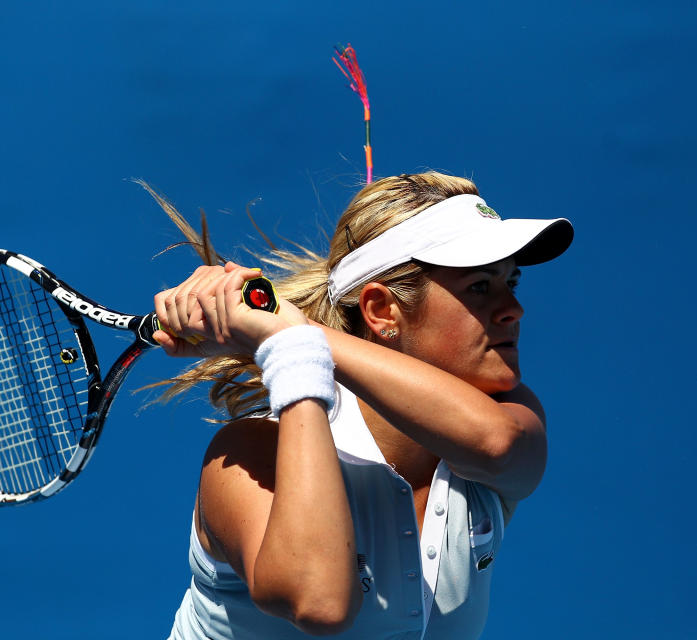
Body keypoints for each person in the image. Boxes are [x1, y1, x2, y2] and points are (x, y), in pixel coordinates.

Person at [149, 172, 573, 639]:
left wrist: (292, 336)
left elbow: (496, 442)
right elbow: (319, 602)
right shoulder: (248, 453)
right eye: (479, 286)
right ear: (381, 311)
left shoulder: (510, 419)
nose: (514, 308)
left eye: (512, 281)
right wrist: (294, 352)